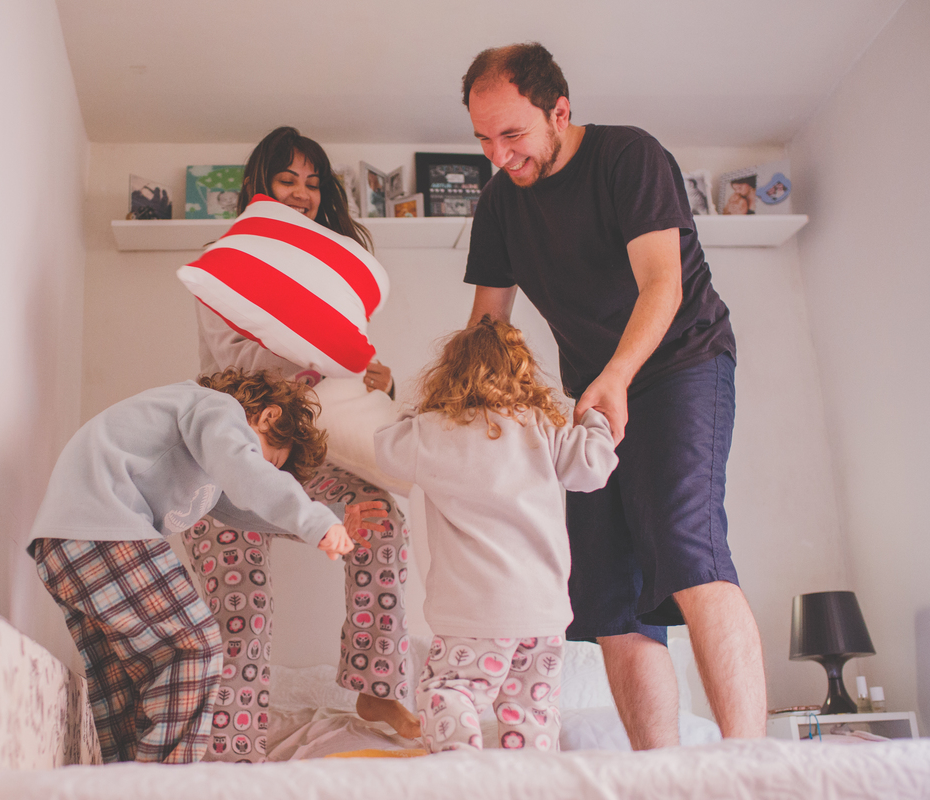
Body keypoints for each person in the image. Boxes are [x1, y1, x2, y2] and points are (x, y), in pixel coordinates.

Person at [460, 42, 767, 748]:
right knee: (606, 595)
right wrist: (468, 418)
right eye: (483, 139)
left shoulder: (628, 157)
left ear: (559, 111)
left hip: (680, 363)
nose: (499, 155)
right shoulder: (500, 205)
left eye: (513, 134)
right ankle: (656, 775)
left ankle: (749, 768)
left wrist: (618, 375)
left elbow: (664, 283)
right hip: (595, 396)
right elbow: (486, 329)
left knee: (687, 544)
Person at [187, 125, 422, 762]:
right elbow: (231, 360)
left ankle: (378, 685)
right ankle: (233, 750)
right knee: (243, 608)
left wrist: (379, 376)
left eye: (313, 185)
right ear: (259, 187)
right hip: (229, 462)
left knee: (381, 523)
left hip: (306, 455)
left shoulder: (331, 273)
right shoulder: (229, 263)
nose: (301, 194)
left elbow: (347, 379)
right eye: (287, 180)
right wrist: (313, 354)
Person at [27, 369, 359, 764]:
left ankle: (123, 784)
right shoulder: (217, 408)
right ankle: (165, 788)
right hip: (101, 528)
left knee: (125, 694)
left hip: (63, 545)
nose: (261, 468)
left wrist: (333, 518)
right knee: (195, 646)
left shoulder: (205, 452)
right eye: (269, 460)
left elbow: (243, 509)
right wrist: (315, 519)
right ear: (268, 416)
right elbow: (248, 474)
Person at [374, 316, 618, 753]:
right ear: (523, 373)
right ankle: (529, 782)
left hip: (473, 610)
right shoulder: (543, 427)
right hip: (541, 612)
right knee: (532, 711)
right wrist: (594, 420)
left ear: (448, 375)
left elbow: (387, 449)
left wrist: (415, 407)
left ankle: (462, 768)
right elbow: (592, 469)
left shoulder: (433, 430)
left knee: (449, 691)